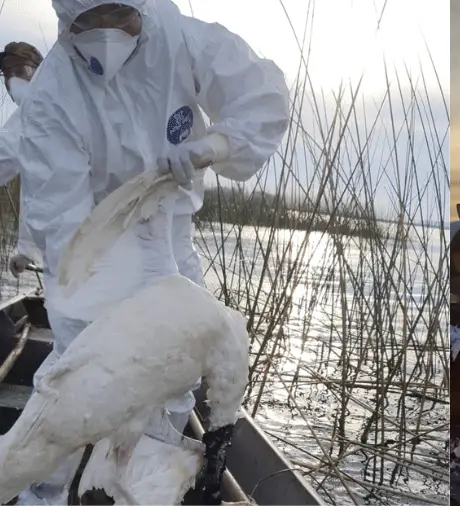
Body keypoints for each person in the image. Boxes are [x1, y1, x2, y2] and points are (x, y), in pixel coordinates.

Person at [15, 1, 289, 503]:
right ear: (67, 19)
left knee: (176, 376)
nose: (107, 33)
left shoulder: (184, 41)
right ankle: (44, 489)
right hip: (99, 240)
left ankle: (143, 483)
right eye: (90, 21)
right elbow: (66, 231)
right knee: (76, 373)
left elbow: (262, 100)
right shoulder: (52, 95)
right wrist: (98, 352)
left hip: (171, 235)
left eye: (120, 14)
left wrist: (218, 145)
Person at [0, 41, 44, 276]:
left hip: (92, 249)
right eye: (7, 74)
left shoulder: (39, 110)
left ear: (40, 70)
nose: (12, 80)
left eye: (20, 70)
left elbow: (3, 153)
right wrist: (28, 251)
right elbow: (37, 188)